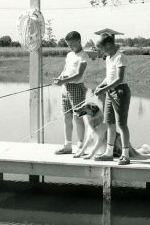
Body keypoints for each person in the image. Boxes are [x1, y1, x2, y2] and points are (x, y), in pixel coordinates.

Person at [94, 34, 131, 165]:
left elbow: (119, 79)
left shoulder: (120, 57)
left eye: (100, 48)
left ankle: (125, 155)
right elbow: (109, 76)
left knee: (121, 124)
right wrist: (101, 85)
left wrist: (104, 90)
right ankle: (109, 153)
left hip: (120, 91)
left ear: (108, 45)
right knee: (109, 122)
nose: (100, 51)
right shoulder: (108, 57)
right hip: (109, 91)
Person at [53, 31, 90, 155]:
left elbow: (79, 75)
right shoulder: (69, 55)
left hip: (77, 88)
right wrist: (60, 78)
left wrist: (64, 80)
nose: (70, 47)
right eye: (68, 45)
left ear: (79, 41)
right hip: (65, 88)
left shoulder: (84, 55)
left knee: (78, 117)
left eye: (72, 45)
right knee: (67, 117)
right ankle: (67, 145)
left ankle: (80, 146)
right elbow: (65, 70)